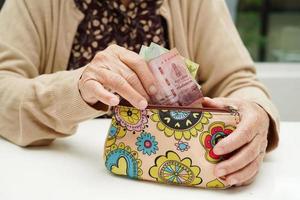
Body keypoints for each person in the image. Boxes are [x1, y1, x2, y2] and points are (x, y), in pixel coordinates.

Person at [0, 0, 279, 187]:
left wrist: (257, 113)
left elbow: (239, 80)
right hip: (57, 180)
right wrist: (76, 89)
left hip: (174, 182)